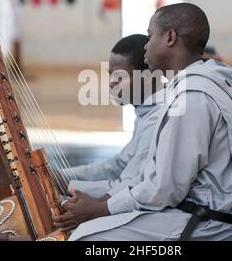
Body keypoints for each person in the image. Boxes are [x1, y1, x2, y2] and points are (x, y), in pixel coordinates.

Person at [55, 3, 232, 241]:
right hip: (193, 215)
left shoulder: (193, 98)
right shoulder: (187, 90)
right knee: (89, 229)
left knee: (87, 239)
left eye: (150, 36)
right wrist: (96, 200)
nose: (146, 46)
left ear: (170, 37)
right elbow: (146, 176)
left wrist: (100, 208)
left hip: (210, 228)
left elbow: (164, 189)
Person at [65, 34, 164, 199]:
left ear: (147, 78)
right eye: (110, 74)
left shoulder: (157, 117)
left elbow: (128, 186)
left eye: (119, 77)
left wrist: (66, 185)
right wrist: (58, 176)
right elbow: (117, 165)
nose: (111, 82)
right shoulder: (145, 111)